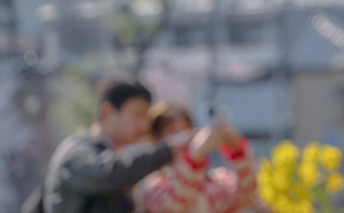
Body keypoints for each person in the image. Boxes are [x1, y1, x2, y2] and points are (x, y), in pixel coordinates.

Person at [34, 78, 221, 213]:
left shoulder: (102, 155)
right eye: (138, 115)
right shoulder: (77, 152)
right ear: (107, 111)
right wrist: (168, 148)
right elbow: (110, 173)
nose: (144, 126)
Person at [133, 102, 258, 213]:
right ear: (156, 140)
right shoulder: (150, 185)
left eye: (186, 129)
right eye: (171, 131)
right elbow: (175, 205)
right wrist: (195, 157)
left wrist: (236, 149)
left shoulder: (218, 180)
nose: (183, 137)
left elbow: (247, 196)